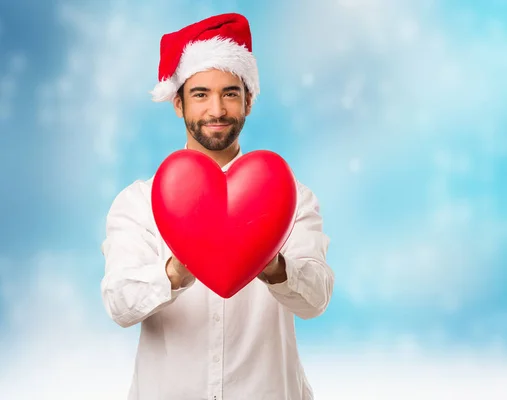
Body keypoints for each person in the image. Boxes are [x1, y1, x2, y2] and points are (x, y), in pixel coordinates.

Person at [100, 12, 334, 400]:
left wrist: (270, 262)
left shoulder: (291, 197)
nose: (217, 110)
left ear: (248, 102)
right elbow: (119, 304)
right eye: (200, 94)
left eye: (230, 93)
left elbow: (316, 300)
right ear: (178, 104)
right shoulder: (138, 204)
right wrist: (176, 271)